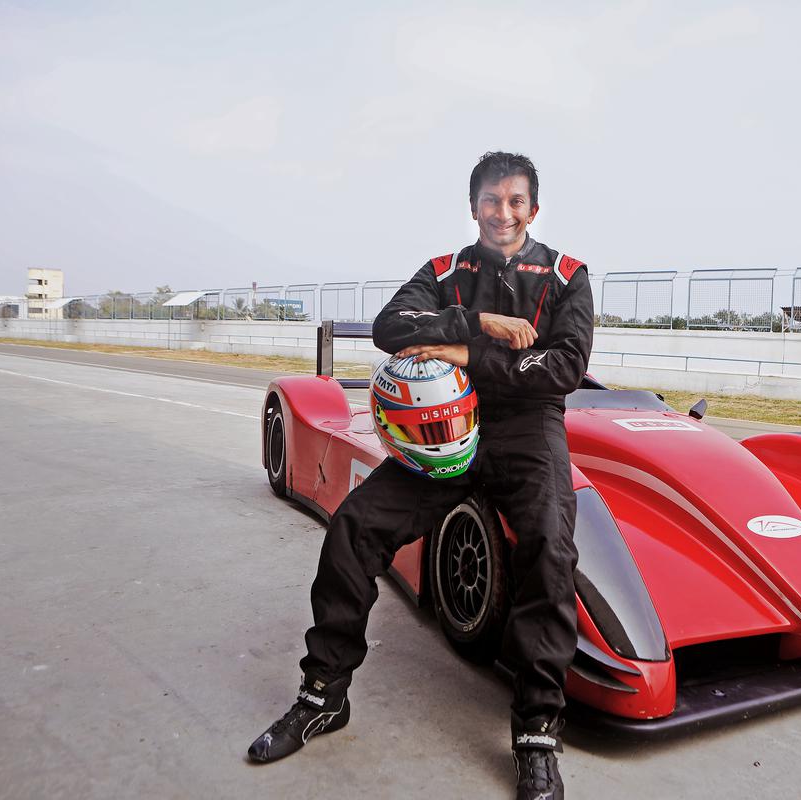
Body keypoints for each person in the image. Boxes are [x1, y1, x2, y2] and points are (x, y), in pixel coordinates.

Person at [248, 151, 594, 800]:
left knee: (550, 552)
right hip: (446, 431)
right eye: (492, 200)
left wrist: (462, 352)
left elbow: (563, 369)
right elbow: (390, 328)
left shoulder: (567, 276)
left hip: (527, 433)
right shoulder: (443, 272)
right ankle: (323, 693)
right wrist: (477, 323)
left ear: (534, 210)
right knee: (353, 529)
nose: (503, 212)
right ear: (473, 207)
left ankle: (538, 734)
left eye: (516, 201)